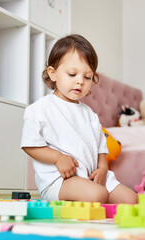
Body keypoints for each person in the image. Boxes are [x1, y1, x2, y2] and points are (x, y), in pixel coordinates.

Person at [20, 34, 137, 204]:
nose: (80, 81)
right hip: (60, 181)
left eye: (87, 77)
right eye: (72, 74)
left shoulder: (89, 113)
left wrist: (103, 169)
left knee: (131, 199)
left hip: (90, 178)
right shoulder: (40, 109)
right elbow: (29, 145)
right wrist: (58, 158)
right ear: (53, 74)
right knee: (98, 195)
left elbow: (100, 148)